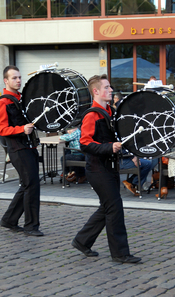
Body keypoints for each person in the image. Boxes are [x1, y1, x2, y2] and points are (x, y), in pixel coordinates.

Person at [71, 74, 141, 264]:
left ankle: (82, 241)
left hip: (109, 167)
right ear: (96, 91)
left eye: (110, 87)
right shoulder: (92, 114)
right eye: (107, 87)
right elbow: (84, 143)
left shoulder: (111, 111)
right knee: (115, 208)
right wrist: (108, 147)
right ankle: (120, 253)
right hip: (97, 169)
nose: (111, 90)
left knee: (108, 207)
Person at [0, 65, 44, 237]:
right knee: (31, 185)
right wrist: (21, 129)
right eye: (14, 78)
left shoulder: (23, 99)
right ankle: (31, 226)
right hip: (17, 149)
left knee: (28, 184)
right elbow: (2, 130)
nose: (18, 81)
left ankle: (9, 220)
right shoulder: (3, 102)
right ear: (6, 81)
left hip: (28, 146)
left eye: (19, 77)